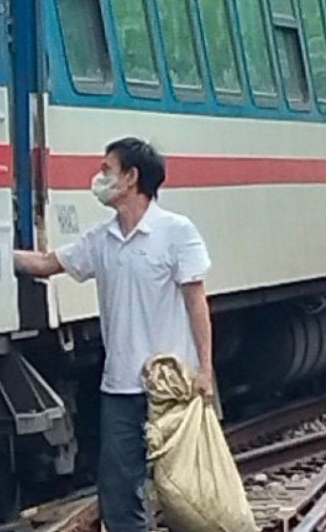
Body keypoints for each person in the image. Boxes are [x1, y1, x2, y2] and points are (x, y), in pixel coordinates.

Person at [12, 138, 214, 532]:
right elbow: (45, 264)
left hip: (171, 387)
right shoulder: (101, 240)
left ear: (132, 178)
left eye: (107, 169)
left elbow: (196, 303)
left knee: (187, 491)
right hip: (120, 386)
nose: (100, 177)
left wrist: (205, 371)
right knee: (120, 489)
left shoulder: (176, 232)